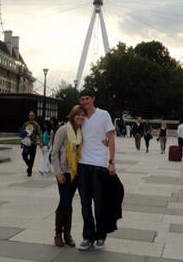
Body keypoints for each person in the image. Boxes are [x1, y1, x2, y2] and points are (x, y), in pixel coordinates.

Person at [76, 89, 116, 251]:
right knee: (85, 204)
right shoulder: (80, 117)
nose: (85, 101)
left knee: (99, 203)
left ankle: (101, 235)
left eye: (87, 98)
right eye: (82, 99)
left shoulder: (103, 115)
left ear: (93, 99)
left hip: (99, 164)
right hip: (83, 164)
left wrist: (111, 161)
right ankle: (88, 236)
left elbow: (111, 139)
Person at [51, 105, 84, 247]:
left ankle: (67, 234)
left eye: (82, 115)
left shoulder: (80, 132)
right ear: (72, 115)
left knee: (68, 202)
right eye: (78, 115)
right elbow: (54, 153)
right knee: (64, 201)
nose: (80, 117)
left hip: (75, 173)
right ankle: (58, 234)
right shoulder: (63, 130)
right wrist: (58, 173)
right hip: (64, 172)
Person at [21, 111, 41, 176]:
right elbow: (22, 133)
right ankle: (29, 165)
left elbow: (39, 134)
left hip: (33, 143)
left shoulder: (36, 124)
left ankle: (29, 170)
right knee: (24, 155)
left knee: (32, 157)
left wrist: (40, 141)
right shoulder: (25, 124)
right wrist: (22, 143)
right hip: (26, 144)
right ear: (28, 116)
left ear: (34, 116)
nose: (31, 116)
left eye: (32, 115)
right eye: (30, 115)